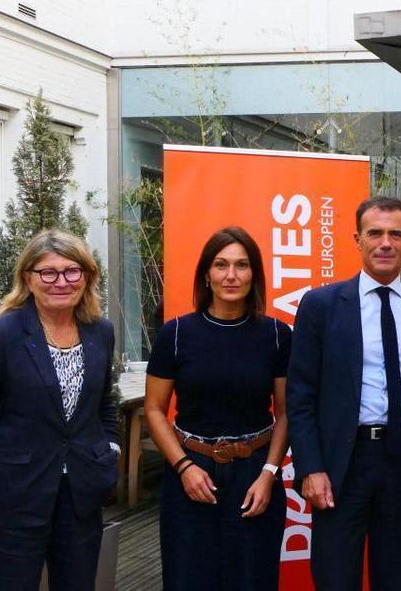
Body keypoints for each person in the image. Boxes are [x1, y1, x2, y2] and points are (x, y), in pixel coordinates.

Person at [287, 196, 401, 590]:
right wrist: (311, 467)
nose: (385, 243)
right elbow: (300, 394)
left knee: (394, 579)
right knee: (335, 577)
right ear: (357, 239)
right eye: (375, 233)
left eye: (396, 234)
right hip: (343, 464)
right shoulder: (321, 306)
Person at [0, 229, 118, 590]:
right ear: (28, 279)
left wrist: (109, 454)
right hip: (13, 497)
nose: (60, 281)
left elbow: (104, 402)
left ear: (87, 277)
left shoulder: (100, 332)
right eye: (48, 272)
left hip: (80, 496)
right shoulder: (0, 335)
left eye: (72, 271)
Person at [144, 226, 291, 591]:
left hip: (254, 477)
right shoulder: (175, 334)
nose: (231, 275)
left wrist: (269, 474)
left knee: (252, 580)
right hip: (191, 476)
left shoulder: (277, 336)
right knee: (188, 580)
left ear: (254, 274)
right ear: (206, 274)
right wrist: (183, 467)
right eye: (221, 265)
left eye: (241, 266)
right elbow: (154, 410)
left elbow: (287, 413)